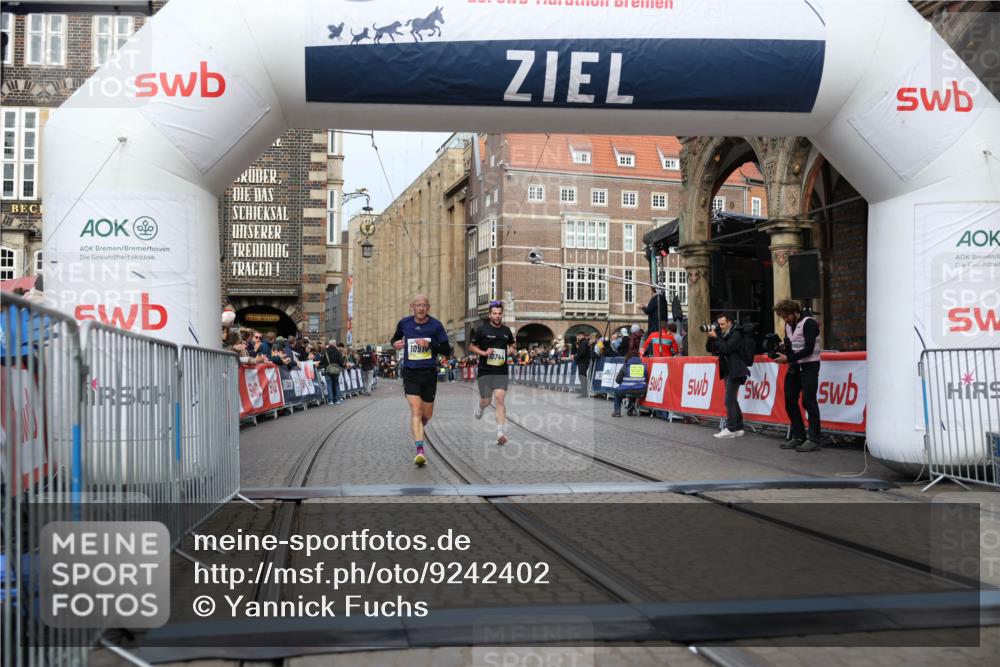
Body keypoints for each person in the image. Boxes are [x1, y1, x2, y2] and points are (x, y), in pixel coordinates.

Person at [391, 293, 452, 467]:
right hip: (411, 373)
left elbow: (447, 350)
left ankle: (418, 425)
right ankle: (420, 451)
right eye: (417, 305)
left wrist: (430, 345)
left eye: (424, 305)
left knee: (427, 414)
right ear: (412, 307)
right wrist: (395, 343)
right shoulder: (404, 323)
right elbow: (395, 338)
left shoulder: (436, 326)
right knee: (416, 410)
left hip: (429, 374)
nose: (421, 308)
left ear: (428, 307)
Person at [773, 299, 823, 452]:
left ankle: (814, 439)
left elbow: (808, 349)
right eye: (782, 317)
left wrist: (787, 358)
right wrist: (782, 350)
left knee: (808, 401)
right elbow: (792, 346)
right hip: (795, 365)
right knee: (789, 400)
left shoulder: (809, 323)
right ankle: (798, 436)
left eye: (786, 316)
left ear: (795, 312)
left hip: (810, 365)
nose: (785, 320)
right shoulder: (788, 325)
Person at [470, 300, 517, 446]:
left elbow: (512, 343)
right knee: (486, 401)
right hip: (485, 371)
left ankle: (500, 433)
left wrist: (512, 349)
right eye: (494, 313)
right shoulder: (482, 330)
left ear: (502, 314)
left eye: (499, 313)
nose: (497, 316)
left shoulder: (506, 331)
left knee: (500, 399)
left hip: (501, 371)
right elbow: (472, 347)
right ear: (490, 315)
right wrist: (484, 353)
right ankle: (480, 406)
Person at [705, 313, 749, 438]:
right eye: (719, 324)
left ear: (729, 323)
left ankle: (730, 429)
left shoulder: (737, 333)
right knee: (732, 399)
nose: (720, 326)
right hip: (728, 370)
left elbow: (726, 348)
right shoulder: (722, 333)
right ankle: (739, 427)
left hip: (736, 370)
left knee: (729, 399)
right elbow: (709, 349)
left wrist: (716, 337)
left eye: (722, 324)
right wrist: (710, 337)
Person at [321, 339, 344, 405]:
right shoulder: (338, 351)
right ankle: (337, 399)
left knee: (329, 384)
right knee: (336, 384)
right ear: (334, 344)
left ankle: (331, 400)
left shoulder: (326, 351)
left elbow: (322, 361)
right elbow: (341, 362)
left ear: (330, 344)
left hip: (328, 369)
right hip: (336, 370)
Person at [573, 332, 591, 398]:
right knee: (582, 377)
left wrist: (576, 357)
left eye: (578, 336)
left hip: (583, 362)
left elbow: (582, 353)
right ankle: (583, 392)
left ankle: (584, 393)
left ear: (582, 336)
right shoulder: (583, 342)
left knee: (582, 377)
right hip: (583, 361)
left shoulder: (584, 342)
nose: (578, 337)